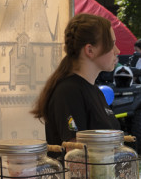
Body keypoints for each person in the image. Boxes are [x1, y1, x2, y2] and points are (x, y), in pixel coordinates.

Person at [32, 13, 120, 146]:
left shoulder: (95, 91)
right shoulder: (69, 91)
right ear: (90, 50)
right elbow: (75, 156)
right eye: (111, 44)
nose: (117, 50)